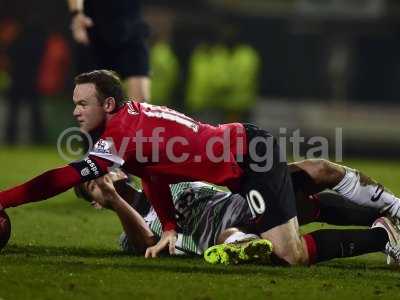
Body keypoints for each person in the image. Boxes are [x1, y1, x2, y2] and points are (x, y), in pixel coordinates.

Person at [1, 69, 400, 266]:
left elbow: (61, 177)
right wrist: (171, 227)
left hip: (245, 161)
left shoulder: (120, 133)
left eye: (81, 103)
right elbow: (154, 174)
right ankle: (393, 213)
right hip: (242, 154)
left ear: (107, 105)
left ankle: (383, 234)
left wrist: (4, 199)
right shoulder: (130, 127)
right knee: (317, 178)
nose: (74, 110)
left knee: (290, 254)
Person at [76, 166, 398, 267]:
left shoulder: (159, 177)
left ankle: (388, 213)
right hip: (220, 235)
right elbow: (147, 241)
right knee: (233, 238)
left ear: (119, 170)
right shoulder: (129, 235)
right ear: (94, 202)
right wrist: (116, 200)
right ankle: (384, 234)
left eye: (103, 174)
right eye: (92, 186)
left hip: (240, 201)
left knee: (310, 187)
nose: (103, 181)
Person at [67, 0, 150, 101]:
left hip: (131, 27)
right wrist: (77, 14)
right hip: (94, 30)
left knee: (140, 100)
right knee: (94, 102)